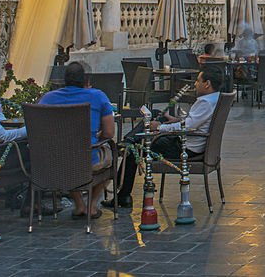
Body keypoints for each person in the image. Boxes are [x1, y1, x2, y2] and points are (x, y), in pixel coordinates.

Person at [106, 66, 223, 208]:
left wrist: (160, 128)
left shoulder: (205, 102)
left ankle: (122, 195)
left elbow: (188, 127)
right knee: (155, 113)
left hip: (184, 148)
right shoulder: (215, 98)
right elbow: (192, 122)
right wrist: (173, 120)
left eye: (198, 81)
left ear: (207, 83)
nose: (195, 84)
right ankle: (128, 140)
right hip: (189, 142)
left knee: (133, 149)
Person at [39, 62, 116, 218]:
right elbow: (109, 133)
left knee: (68, 152)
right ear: (85, 80)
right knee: (111, 156)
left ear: (64, 80)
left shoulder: (47, 98)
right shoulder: (98, 96)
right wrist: (96, 138)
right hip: (87, 158)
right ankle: (92, 205)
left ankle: (79, 204)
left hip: (53, 160)